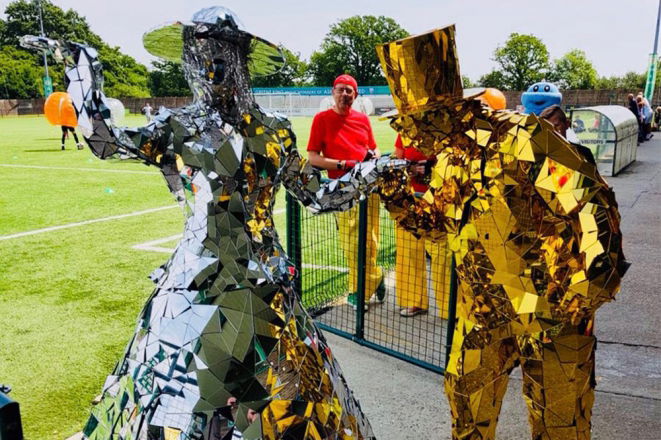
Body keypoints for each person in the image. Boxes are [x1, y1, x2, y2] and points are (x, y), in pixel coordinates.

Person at [22, 6, 387, 439]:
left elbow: (318, 196)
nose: (213, 66)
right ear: (189, 63)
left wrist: (377, 171)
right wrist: (84, 69)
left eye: (223, 54)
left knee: (279, 393)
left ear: (242, 62)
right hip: (195, 283)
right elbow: (106, 142)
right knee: (187, 391)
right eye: (201, 55)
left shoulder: (273, 131)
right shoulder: (180, 127)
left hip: (261, 286)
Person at [376, 25, 626, 440]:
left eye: (415, 123)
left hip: (551, 311)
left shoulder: (523, 137)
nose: (410, 135)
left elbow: (591, 203)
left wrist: (587, 290)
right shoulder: (448, 159)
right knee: (466, 408)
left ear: (444, 113)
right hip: (482, 315)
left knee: (560, 423)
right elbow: (437, 228)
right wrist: (396, 196)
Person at [307, 74, 385, 311]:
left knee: (370, 239)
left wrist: (373, 157)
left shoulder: (362, 119)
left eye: (349, 90)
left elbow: (375, 149)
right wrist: (343, 164)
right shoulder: (322, 119)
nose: (344, 94)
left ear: (355, 95)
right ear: (333, 92)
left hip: (367, 186)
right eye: (340, 89)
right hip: (342, 189)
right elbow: (313, 158)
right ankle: (358, 290)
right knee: (352, 242)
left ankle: (372, 279)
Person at [393, 134, 451, 318]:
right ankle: (414, 301)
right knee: (409, 251)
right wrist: (409, 168)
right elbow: (396, 162)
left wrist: (432, 167)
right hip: (410, 199)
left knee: (442, 254)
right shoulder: (404, 132)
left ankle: (449, 308)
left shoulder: (441, 130)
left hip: (439, 201)